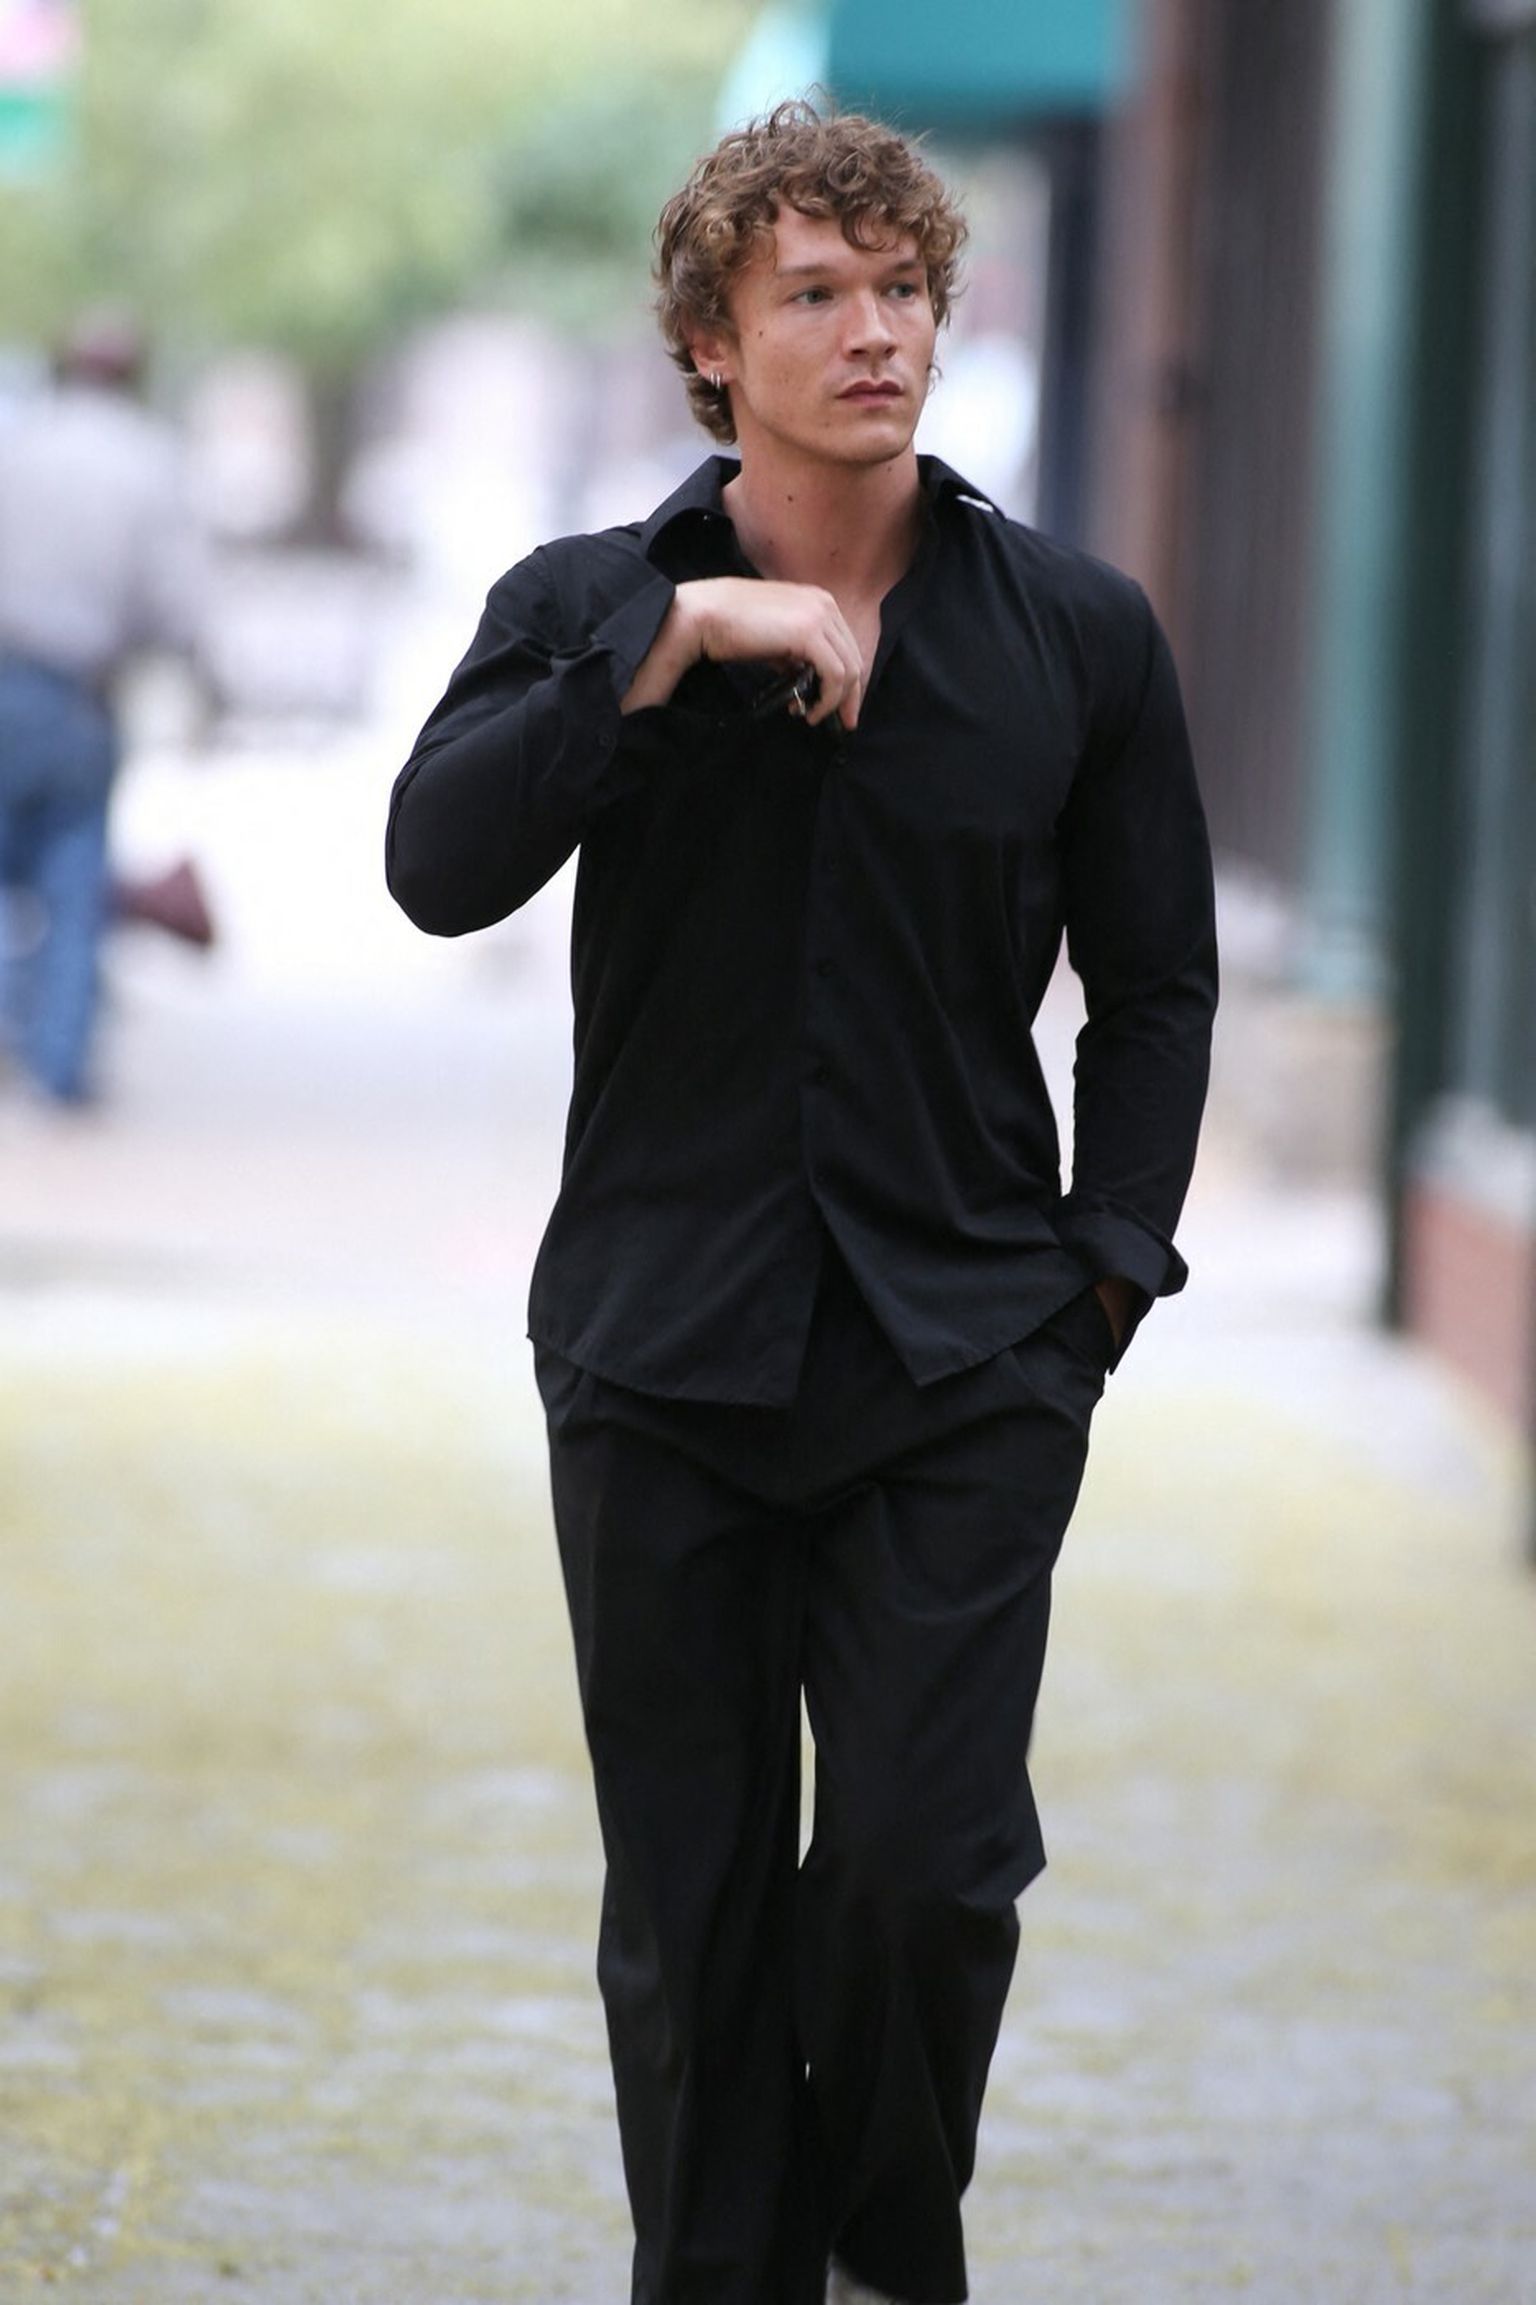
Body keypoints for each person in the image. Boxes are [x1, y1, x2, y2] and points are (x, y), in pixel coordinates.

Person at [387, 101, 1217, 2305]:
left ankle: (878, 2255)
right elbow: (438, 867)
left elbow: (1156, 987)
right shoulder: (583, 606)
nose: (875, 332)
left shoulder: (1077, 632)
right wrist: (667, 642)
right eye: (816, 294)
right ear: (707, 341)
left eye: (904, 287)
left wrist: (1103, 1283)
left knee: (927, 1874)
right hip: (661, 1347)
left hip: (965, 1355)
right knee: (693, 1914)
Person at [0, 311, 205, 1104]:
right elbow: (177, 603)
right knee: (75, 876)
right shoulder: (148, 460)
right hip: (81, 693)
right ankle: (59, 1065)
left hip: (8, 674)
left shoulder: (21, 444)